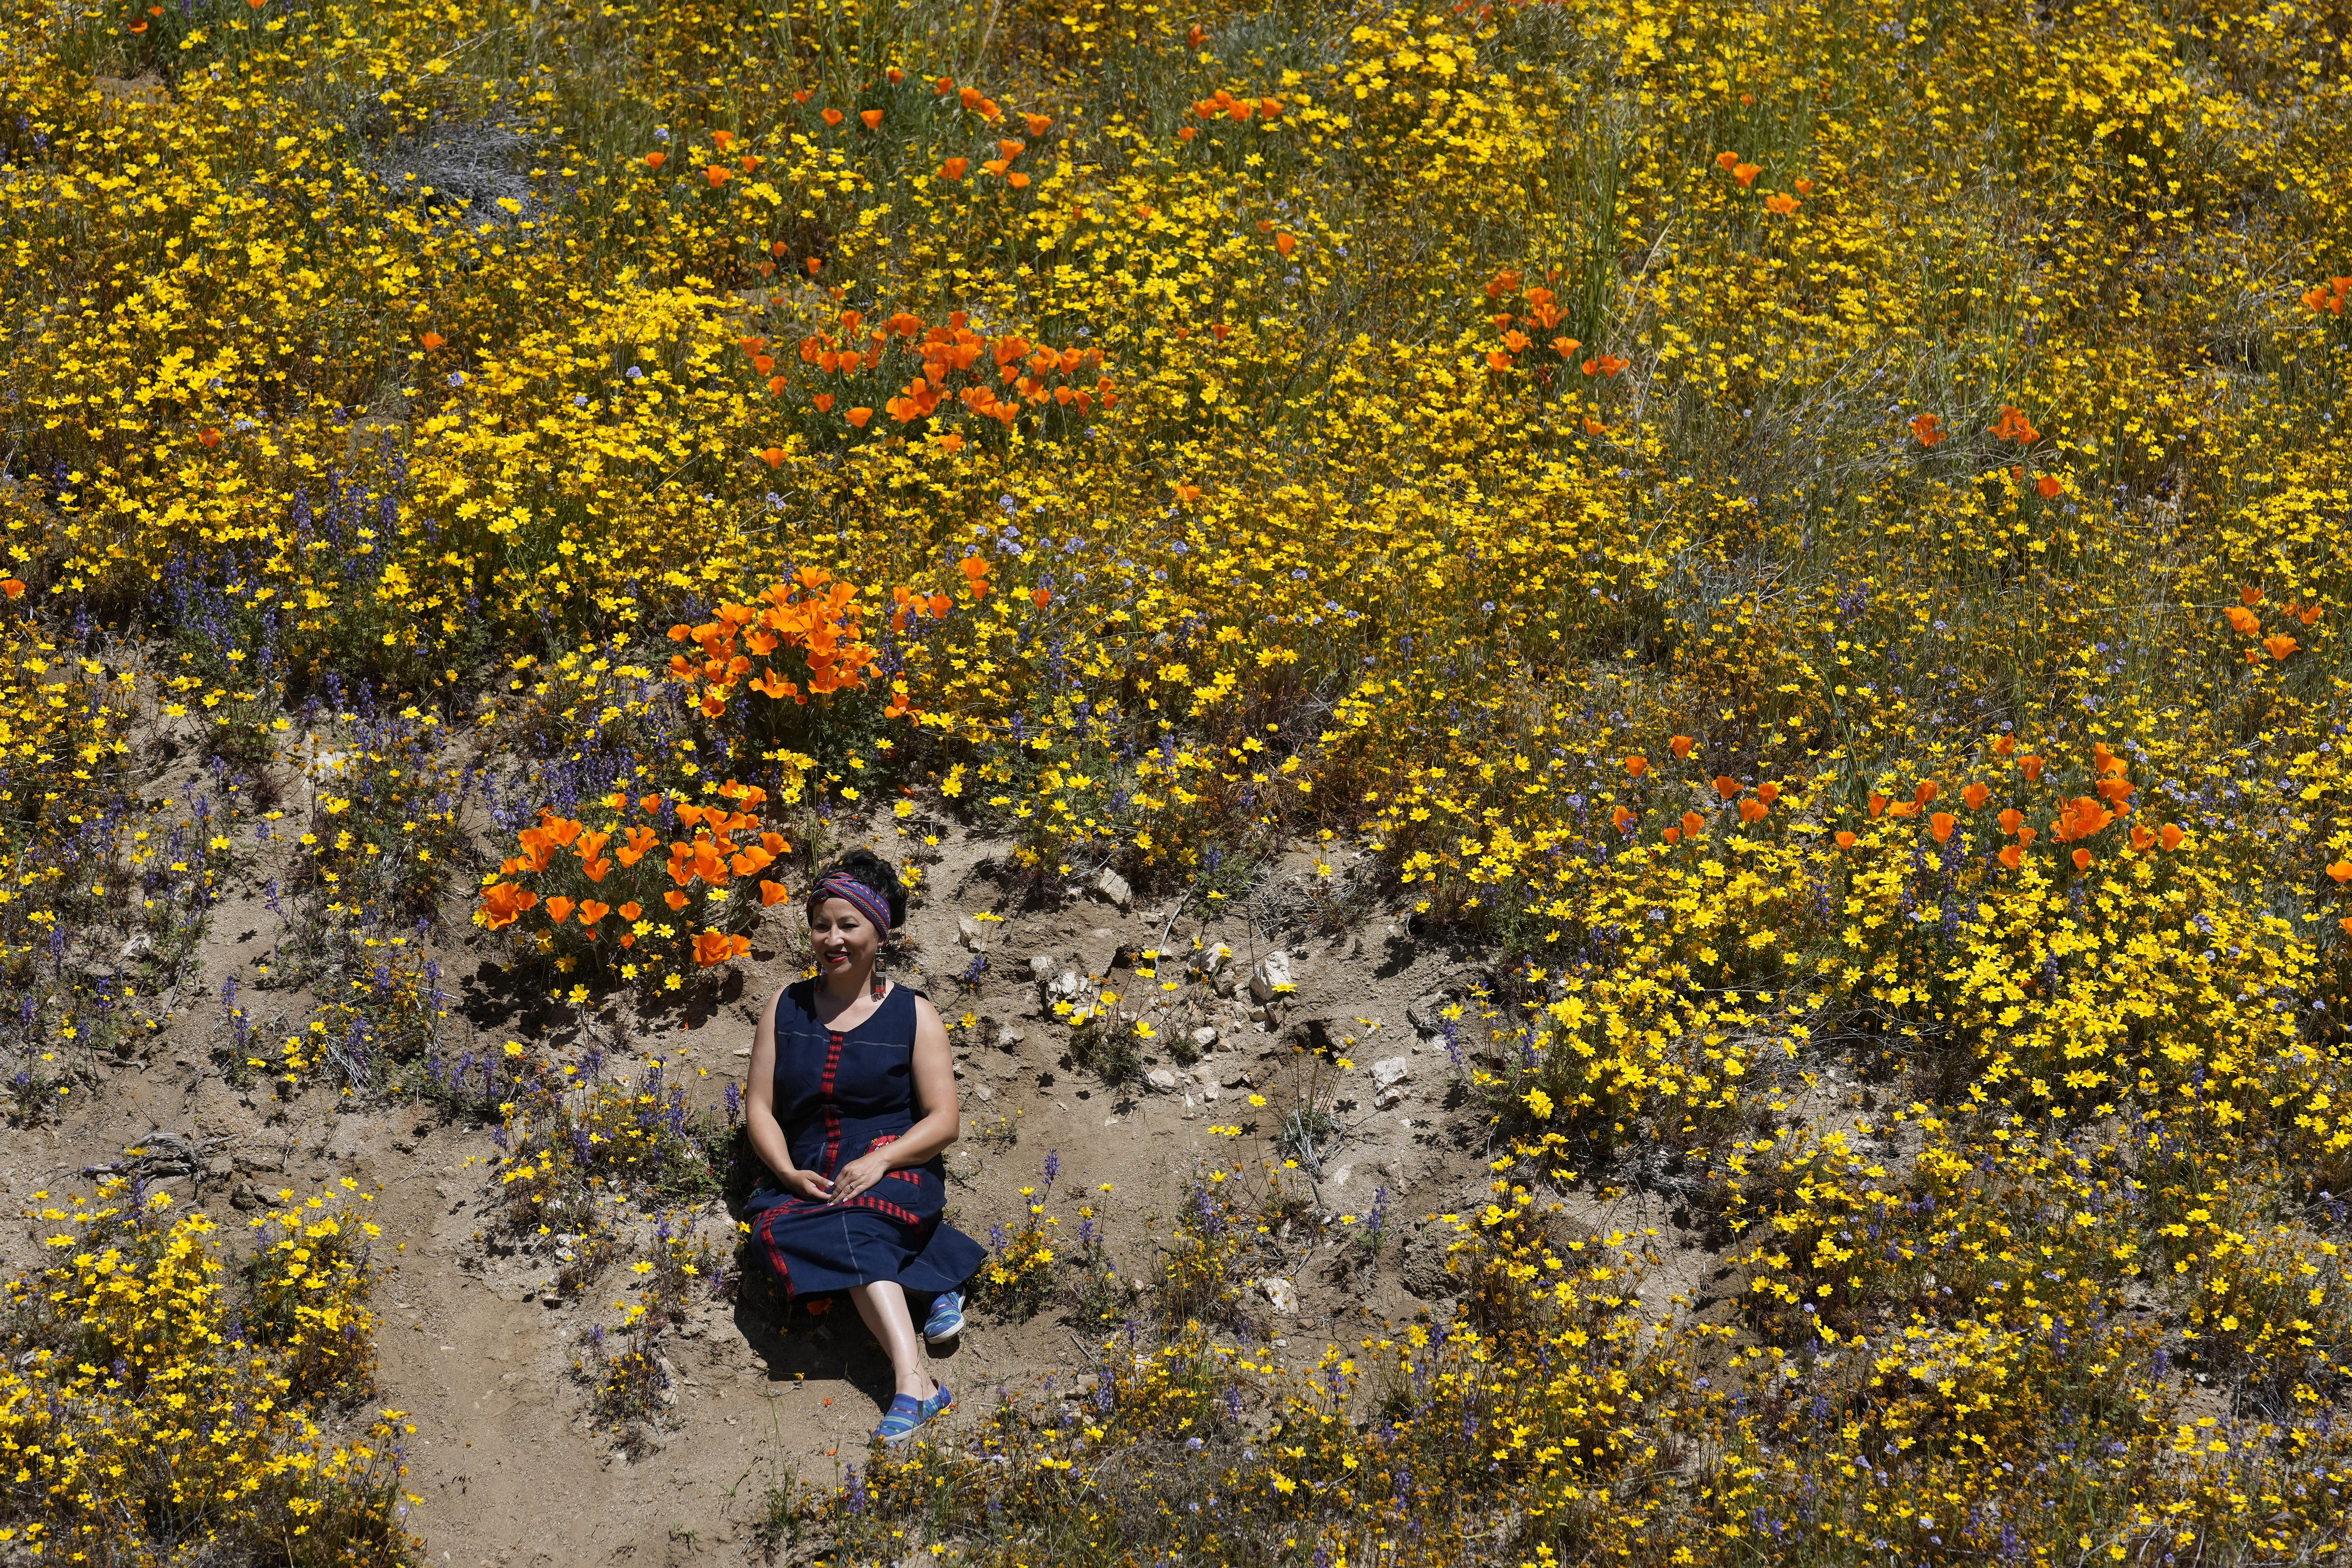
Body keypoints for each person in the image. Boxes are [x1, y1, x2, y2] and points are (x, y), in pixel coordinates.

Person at [741, 848, 985, 1445]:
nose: (833, 939)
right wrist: (786, 1172)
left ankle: (915, 1385)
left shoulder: (915, 1015)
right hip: (810, 1174)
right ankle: (931, 1276)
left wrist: (881, 1159)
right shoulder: (785, 1005)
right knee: (780, 1224)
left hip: (894, 1167)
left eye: (849, 925)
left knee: (852, 1224)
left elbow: (943, 1122)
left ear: (881, 931)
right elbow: (760, 1109)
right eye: (823, 925)